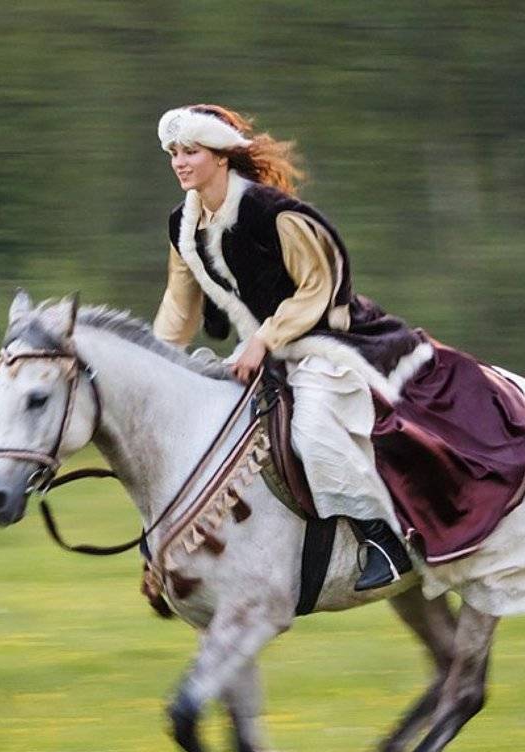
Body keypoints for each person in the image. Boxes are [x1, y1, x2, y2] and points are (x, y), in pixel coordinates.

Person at [152, 103, 417, 590]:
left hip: (324, 339)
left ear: (222, 155)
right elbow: (179, 306)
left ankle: (384, 538)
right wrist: (157, 362)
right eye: (174, 153)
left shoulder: (272, 213)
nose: (179, 162)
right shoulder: (183, 226)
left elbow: (320, 286)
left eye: (191, 151)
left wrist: (265, 339)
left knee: (312, 433)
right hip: (257, 352)